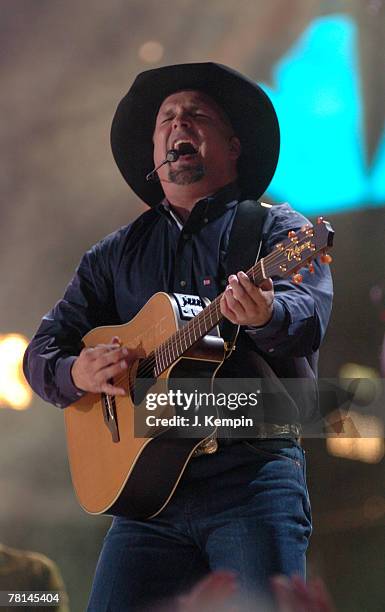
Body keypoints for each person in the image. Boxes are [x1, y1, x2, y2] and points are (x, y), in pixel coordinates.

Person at [23, 63, 333, 611]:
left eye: (196, 115)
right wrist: (77, 370)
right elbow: (42, 351)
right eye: (166, 118)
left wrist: (264, 315)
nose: (176, 123)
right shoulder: (112, 256)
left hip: (252, 479)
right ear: (155, 155)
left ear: (233, 146)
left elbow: (307, 316)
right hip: (147, 503)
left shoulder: (277, 231)